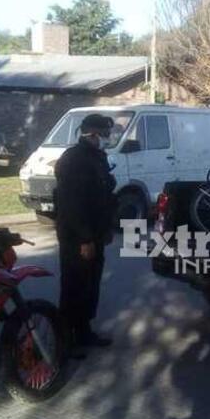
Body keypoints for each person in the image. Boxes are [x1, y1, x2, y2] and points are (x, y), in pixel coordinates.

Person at [54, 114, 117, 348]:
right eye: (105, 135)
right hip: (78, 237)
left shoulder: (96, 157)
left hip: (95, 233)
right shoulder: (75, 159)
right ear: (93, 134)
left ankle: (83, 331)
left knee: (90, 286)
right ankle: (67, 339)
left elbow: (103, 195)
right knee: (75, 286)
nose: (108, 139)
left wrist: (106, 229)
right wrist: (85, 239)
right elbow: (72, 204)